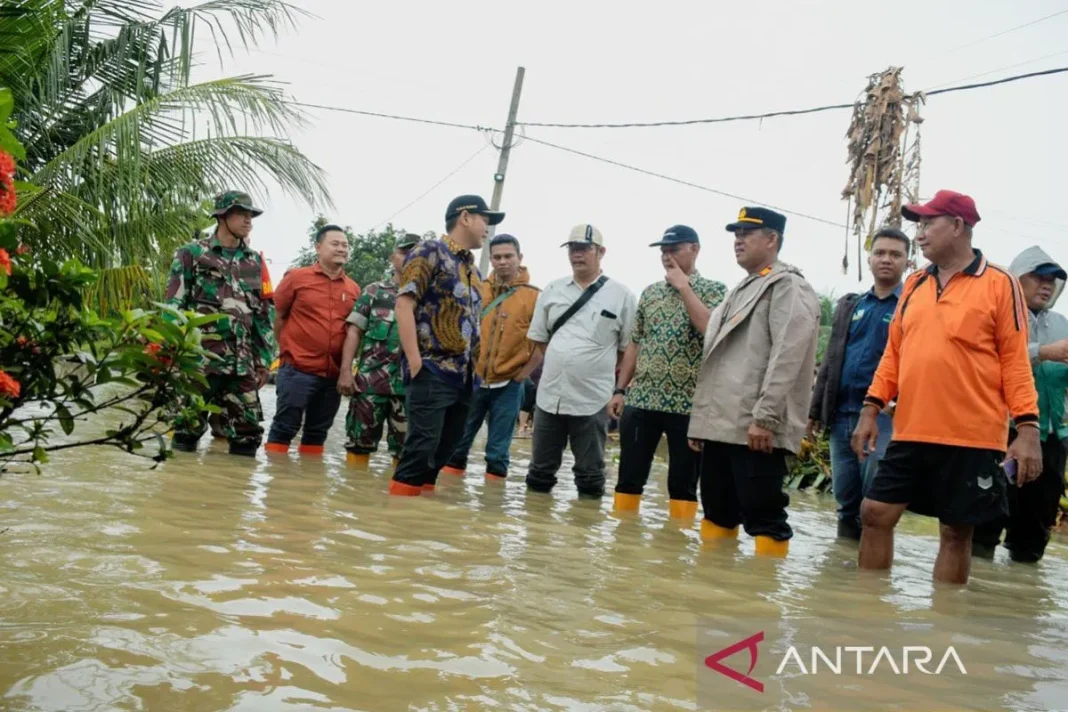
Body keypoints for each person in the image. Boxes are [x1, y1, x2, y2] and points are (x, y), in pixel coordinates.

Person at [852, 190, 1042, 585]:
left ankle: (945, 629)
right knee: (874, 513)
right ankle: (867, 615)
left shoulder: (999, 283)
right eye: (918, 225)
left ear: (957, 226)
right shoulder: (915, 284)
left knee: (956, 532)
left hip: (972, 436)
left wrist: (1027, 430)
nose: (919, 234)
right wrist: (870, 409)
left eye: (927, 223)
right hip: (910, 429)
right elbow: (894, 355)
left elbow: (1015, 361)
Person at [687, 207, 820, 557]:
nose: (738, 240)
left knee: (765, 517)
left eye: (747, 233)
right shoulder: (742, 288)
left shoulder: (788, 286)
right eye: (735, 234)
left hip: (755, 429)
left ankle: (761, 600)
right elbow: (717, 361)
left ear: (772, 239)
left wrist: (766, 418)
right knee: (717, 512)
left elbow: (787, 357)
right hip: (722, 426)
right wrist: (702, 423)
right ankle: (714, 590)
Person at [610, 225, 726, 519]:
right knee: (628, 478)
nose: (666, 256)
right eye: (663, 251)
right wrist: (620, 390)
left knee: (682, 486)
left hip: (688, 406)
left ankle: (677, 551)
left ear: (695, 250)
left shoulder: (716, 290)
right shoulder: (650, 293)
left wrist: (683, 287)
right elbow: (635, 342)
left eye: (674, 249)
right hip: (643, 400)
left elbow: (708, 329)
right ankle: (622, 547)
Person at [389, 195, 501, 496]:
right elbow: (404, 305)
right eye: (484, 220)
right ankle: (395, 523)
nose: (487, 228)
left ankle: (421, 523)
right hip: (432, 369)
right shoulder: (429, 250)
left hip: (463, 378)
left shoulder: (474, 271)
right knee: (420, 448)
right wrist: (415, 362)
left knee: (443, 452)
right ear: (465, 217)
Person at [807, 227, 909, 540]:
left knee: (875, 504)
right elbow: (830, 361)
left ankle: (870, 577)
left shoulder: (910, 307)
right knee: (845, 502)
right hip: (842, 416)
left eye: (895, 254)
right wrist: (815, 411)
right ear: (869, 257)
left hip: (884, 418)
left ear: (907, 261)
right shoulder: (851, 305)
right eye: (880, 253)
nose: (886, 260)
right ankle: (843, 572)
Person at [525, 224, 637, 498]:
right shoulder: (552, 290)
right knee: (539, 472)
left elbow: (629, 348)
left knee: (590, 475)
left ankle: (587, 533)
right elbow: (539, 339)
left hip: (592, 399)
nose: (578, 254)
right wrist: (567, 358)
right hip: (550, 395)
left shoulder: (622, 295)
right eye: (573, 248)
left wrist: (615, 386)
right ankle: (535, 528)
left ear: (601, 252)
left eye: (585, 248)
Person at [972, 246, 1068, 563]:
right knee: (986, 518)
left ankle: (1021, 598)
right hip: (1003, 433)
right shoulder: (999, 313)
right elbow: (991, 358)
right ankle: (968, 595)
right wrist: (1043, 351)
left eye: (1052, 280)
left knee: (1035, 527)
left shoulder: (1062, 323)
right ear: (1017, 278)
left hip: (1051, 438)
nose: (1046, 284)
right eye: (1038, 277)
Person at [165, 190, 277, 457]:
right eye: (241, 213)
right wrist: (171, 353)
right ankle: (178, 489)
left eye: (251, 215)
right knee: (186, 429)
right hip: (199, 360)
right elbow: (174, 305)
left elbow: (263, 315)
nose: (248, 220)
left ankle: (237, 497)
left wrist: (263, 360)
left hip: (241, 366)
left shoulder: (255, 262)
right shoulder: (191, 253)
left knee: (248, 436)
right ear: (222, 216)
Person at [442, 234, 542, 480]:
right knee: (457, 445)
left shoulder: (535, 296)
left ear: (520, 258)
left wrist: (523, 375)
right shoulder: (477, 287)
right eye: (497, 257)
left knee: (497, 454)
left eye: (508, 256)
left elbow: (541, 342)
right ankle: (447, 502)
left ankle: (492, 507)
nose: (502, 262)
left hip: (509, 383)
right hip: (473, 380)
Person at [265, 224, 360, 455]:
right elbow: (278, 316)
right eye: (335, 244)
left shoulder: (354, 289)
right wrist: (288, 349)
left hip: (332, 376)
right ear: (318, 247)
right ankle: (276, 481)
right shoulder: (297, 278)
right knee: (285, 427)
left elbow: (352, 332)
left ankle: (310, 484)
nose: (341, 249)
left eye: (345, 245)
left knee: (318, 433)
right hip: (297, 369)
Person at [338, 234, 421, 467]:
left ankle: (398, 501)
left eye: (416, 254)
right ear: (393, 256)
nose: (409, 258)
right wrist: (346, 371)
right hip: (369, 384)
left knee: (406, 451)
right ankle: (354, 496)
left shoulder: (428, 297)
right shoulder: (374, 291)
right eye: (405, 252)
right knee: (358, 443)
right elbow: (354, 332)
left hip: (410, 387)